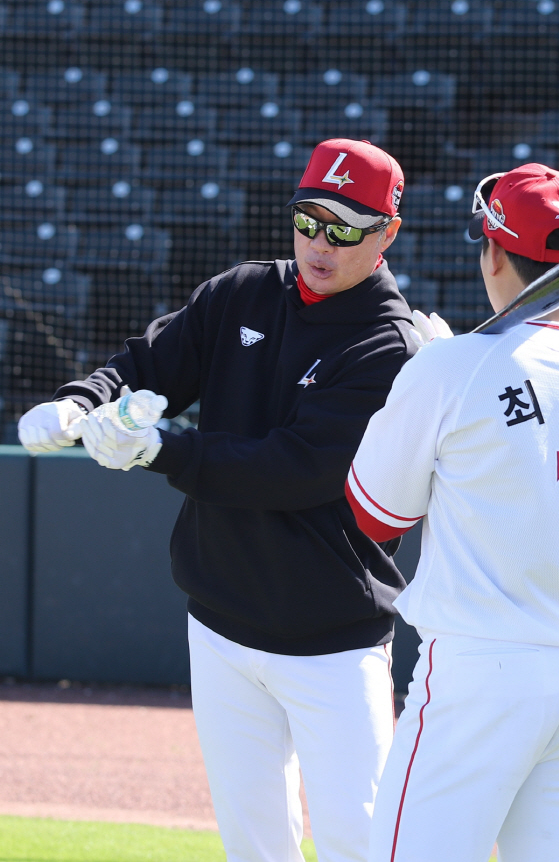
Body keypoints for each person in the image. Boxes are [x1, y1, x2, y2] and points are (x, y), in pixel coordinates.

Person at [18, 138, 418, 862]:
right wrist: (83, 401)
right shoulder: (242, 290)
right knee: (252, 844)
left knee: (359, 841)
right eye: (308, 220)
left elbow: (296, 468)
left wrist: (159, 450)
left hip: (333, 640)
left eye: (345, 229)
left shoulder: (390, 343)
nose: (319, 243)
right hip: (220, 624)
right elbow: (151, 363)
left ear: (386, 233)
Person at [345, 163, 559, 862]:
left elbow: (375, 515)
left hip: (480, 667)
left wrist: (428, 382)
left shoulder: (450, 368)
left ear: (493, 252)